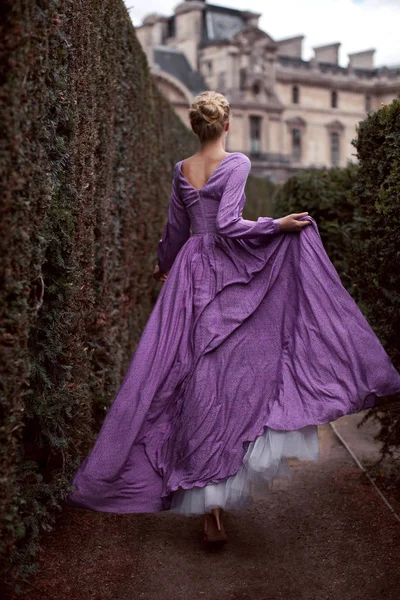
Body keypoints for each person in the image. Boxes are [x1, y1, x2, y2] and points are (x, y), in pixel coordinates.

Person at [67, 91, 400, 545]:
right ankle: (213, 502)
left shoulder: (181, 168)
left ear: (195, 128)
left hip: (188, 272)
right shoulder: (238, 162)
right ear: (227, 125)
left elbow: (176, 230)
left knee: (185, 375)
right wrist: (276, 226)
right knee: (226, 376)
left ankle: (209, 505)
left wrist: (165, 265)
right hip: (223, 269)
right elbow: (227, 225)